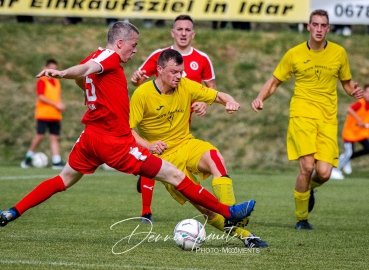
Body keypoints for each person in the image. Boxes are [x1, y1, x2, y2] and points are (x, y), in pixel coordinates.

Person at [0, 22, 254, 236]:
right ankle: (229, 213)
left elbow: (84, 77)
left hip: (90, 138)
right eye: (133, 46)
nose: (134, 52)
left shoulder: (94, 54)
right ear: (120, 42)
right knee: (174, 175)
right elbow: (83, 71)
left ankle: (12, 211)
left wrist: (88, 91)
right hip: (115, 143)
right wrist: (62, 72)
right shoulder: (109, 58)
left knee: (62, 179)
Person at [130, 49, 268, 248]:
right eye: (174, 72)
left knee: (215, 156)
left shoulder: (185, 85)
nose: (179, 76)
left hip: (187, 143)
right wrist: (149, 145)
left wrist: (230, 101)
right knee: (208, 210)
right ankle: (246, 236)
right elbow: (127, 130)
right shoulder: (142, 94)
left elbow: (219, 95)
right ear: (159, 70)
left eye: (181, 72)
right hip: (165, 160)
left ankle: (230, 212)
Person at [251, 9, 363, 230]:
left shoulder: (339, 53)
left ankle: (307, 188)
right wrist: (260, 97)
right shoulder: (294, 54)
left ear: (328, 29)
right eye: (315, 25)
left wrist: (354, 91)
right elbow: (275, 81)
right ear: (308, 26)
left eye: (323, 25)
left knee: (324, 173)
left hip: (328, 119)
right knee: (306, 166)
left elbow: (347, 83)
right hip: (301, 115)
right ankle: (302, 218)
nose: (319, 29)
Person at [131, 14, 217, 223]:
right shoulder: (160, 56)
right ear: (173, 32)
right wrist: (136, 79)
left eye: (188, 30)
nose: (184, 33)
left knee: (176, 168)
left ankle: (215, 208)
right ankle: (146, 212)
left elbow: (211, 88)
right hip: (158, 119)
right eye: (179, 29)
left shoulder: (202, 59)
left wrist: (204, 103)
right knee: (153, 157)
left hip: (182, 123)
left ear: (193, 33)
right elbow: (142, 82)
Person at [21, 59, 66, 170]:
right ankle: (28, 158)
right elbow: (41, 96)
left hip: (55, 115)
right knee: (40, 136)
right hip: (43, 114)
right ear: (45, 68)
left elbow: (57, 96)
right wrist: (56, 104)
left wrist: (61, 104)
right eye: (51, 68)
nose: (53, 71)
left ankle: (56, 161)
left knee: (54, 138)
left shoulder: (57, 82)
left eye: (55, 69)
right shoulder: (42, 81)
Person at [330, 84, 369, 180]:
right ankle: (334, 170)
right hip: (350, 133)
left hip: (360, 133)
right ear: (363, 93)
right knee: (349, 152)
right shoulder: (360, 103)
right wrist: (359, 119)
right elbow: (349, 109)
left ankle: (347, 159)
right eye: (368, 92)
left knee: (367, 149)